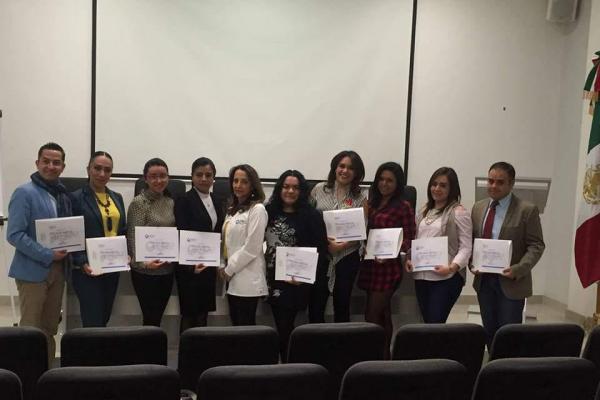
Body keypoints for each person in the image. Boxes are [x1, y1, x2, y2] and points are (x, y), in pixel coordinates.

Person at [7, 142, 71, 364]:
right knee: (30, 331)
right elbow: (14, 235)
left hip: (58, 271)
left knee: (50, 328)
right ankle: (27, 375)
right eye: (46, 161)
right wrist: (47, 254)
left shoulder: (62, 195)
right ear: (37, 163)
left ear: (63, 167)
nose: (51, 166)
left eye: (56, 163)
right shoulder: (24, 193)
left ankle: (47, 373)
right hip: (32, 272)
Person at [471, 161, 545, 347]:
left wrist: (518, 269)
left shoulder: (526, 210)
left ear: (511, 184)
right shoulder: (478, 208)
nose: (493, 186)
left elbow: (536, 245)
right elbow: (473, 241)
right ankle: (493, 363)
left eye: (500, 182)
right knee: (489, 330)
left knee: (509, 334)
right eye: (490, 181)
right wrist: (473, 262)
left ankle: (508, 364)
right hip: (484, 281)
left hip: (512, 282)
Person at [265, 170, 329, 360]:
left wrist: (303, 277)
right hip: (273, 280)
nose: (290, 191)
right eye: (286, 186)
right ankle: (287, 364)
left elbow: (321, 250)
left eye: (295, 187)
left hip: (297, 281)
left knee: (287, 328)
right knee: (281, 327)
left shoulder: (312, 215)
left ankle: (291, 366)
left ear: (302, 191)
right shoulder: (269, 212)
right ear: (279, 189)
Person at [359, 162, 414, 359]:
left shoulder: (403, 207)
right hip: (370, 266)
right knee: (383, 314)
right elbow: (362, 232)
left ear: (398, 184)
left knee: (372, 315)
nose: (384, 183)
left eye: (390, 180)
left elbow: (409, 238)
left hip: (388, 269)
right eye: (381, 179)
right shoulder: (371, 203)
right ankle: (385, 358)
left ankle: (375, 357)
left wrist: (392, 251)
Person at [406, 167, 472, 324]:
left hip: (446, 277)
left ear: (452, 189)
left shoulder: (459, 212)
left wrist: (452, 268)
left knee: (435, 322)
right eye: (434, 184)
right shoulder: (424, 210)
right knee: (427, 322)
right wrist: (409, 258)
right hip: (422, 276)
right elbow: (417, 239)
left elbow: (466, 247)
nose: (437, 188)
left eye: (443, 185)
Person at [71, 151, 127, 327]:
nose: (102, 174)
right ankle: (90, 347)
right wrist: (82, 262)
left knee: (104, 316)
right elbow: (72, 235)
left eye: (107, 170)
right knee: (92, 320)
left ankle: (100, 347)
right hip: (88, 270)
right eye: (97, 168)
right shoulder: (75, 198)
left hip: (112, 268)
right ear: (88, 169)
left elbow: (122, 230)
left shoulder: (117, 198)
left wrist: (126, 253)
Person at [310, 150, 367, 322]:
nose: (345, 171)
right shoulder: (319, 189)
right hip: (321, 255)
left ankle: (342, 340)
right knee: (316, 304)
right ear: (335, 167)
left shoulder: (360, 198)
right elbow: (308, 220)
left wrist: (340, 246)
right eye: (342, 166)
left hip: (347, 257)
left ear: (356, 173)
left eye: (351, 168)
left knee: (342, 304)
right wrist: (325, 243)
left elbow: (362, 230)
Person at [174, 157, 225, 332]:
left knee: (203, 313)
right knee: (189, 314)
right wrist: (190, 266)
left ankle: (201, 348)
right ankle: (186, 349)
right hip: (189, 267)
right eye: (199, 174)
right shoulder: (183, 200)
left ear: (213, 178)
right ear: (192, 176)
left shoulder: (218, 200)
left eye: (208, 175)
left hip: (208, 265)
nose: (204, 179)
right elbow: (181, 233)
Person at [126, 158, 175, 327]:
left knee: (158, 317)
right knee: (150, 318)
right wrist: (143, 264)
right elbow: (132, 236)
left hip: (167, 270)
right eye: (153, 176)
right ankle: (148, 345)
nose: (158, 180)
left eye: (163, 176)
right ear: (145, 179)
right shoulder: (139, 203)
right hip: (145, 272)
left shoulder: (170, 202)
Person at [219, 164, 268, 326]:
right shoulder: (232, 209)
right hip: (231, 277)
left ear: (253, 185)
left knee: (245, 327)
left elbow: (252, 247)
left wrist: (229, 269)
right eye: (235, 181)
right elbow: (225, 242)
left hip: (247, 278)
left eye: (244, 182)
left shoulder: (257, 209)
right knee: (236, 326)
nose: (238, 185)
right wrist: (221, 264)